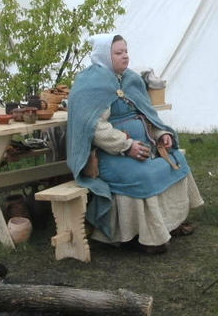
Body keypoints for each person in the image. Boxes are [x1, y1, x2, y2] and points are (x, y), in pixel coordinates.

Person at [66, 34, 203, 254]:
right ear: (104, 56)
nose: (125, 56)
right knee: (144, 175)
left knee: (176, 159)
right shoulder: (90, 84)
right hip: (109, 156)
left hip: (145, 147)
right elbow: (93, 127)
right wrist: (126, 145)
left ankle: (169, 224)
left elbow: (147, 113)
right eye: (118, 53)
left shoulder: (130, 79)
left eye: (126, 51)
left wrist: (160, 134)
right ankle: (149, 237)